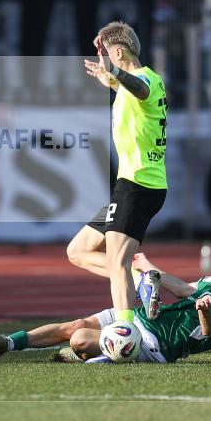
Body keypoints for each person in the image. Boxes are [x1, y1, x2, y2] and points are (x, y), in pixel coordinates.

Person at [0, 246, 211, 364]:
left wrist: (205, 312)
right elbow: (184, 289)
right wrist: (150, 269)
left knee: (79, 339)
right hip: (144, 316)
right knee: (76, 326)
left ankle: (85, 354)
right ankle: (8, 343)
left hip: (156, 343)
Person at [74, 21, 168, 326]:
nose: (109, 61)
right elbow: (130, 92)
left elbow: (139, 89)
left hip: (138, 183)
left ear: (118, 51)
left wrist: (114, 75)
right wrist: (110, 79)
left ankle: (127, 329)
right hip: (133, 184)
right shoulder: (135, 82)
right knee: (78, 251)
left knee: (117, 261)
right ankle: (142, 279)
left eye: (111, 57)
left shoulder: (146, 80)